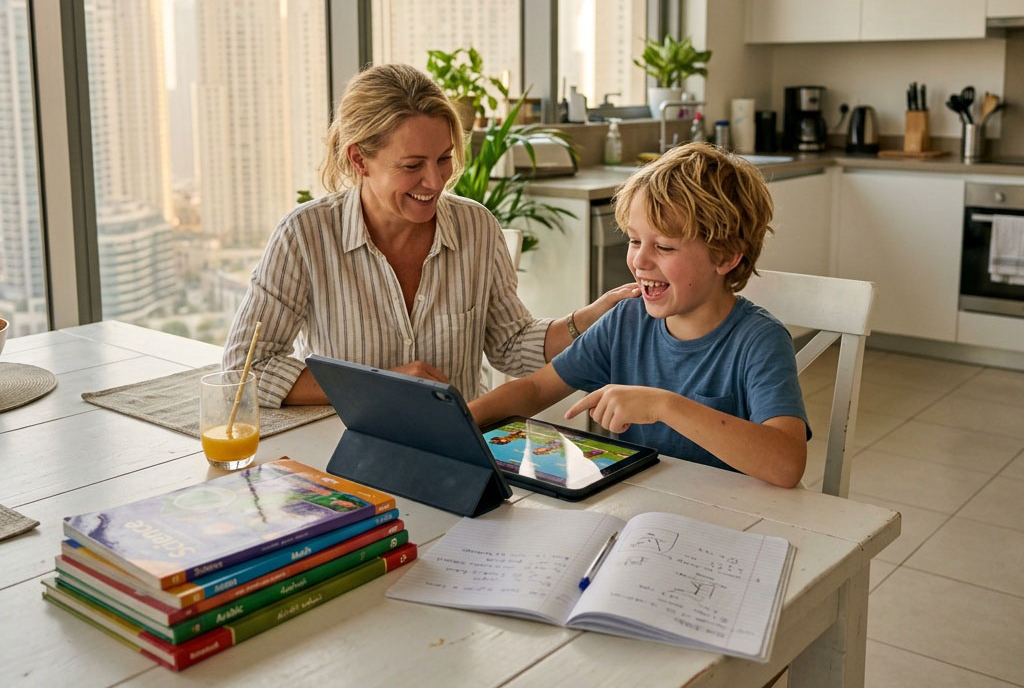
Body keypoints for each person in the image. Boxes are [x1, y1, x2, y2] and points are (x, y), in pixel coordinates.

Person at [222, 63, 638, 409]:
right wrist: (381, 384)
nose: (435, 180)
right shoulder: (305, 235)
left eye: (443, 159)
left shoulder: (476, 226)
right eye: (412, 165)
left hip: (459, 447)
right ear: (359, 159)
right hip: (344, 449)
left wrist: (589, 318)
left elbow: (510, 343)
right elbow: (244, 368)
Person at [469, 142, 810, 488]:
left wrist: (664, 406)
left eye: (663, 246)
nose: (640, 262)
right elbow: (535, 389)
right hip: (642, 514)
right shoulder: (626, 323)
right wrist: (458, 421)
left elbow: (786, 464)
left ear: (725, 258)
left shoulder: (759, 340)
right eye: (634, 241)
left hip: (732, 523)